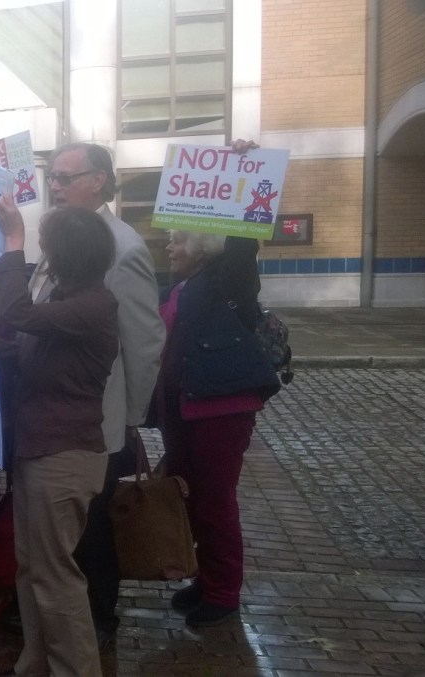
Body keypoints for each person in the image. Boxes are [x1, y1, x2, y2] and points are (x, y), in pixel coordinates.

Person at [0, 200, 120, 677]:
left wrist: (12, 242)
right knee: (32, 567)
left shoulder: (94, 305)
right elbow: (29, 348)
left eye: (45, 248)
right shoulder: (68, 301)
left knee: (55, 577)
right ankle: (36, 664)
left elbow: (18, 312)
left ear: (66, 256)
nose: (41, 256)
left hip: (62, 456)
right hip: (40, 449)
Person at [44, 143, 164, 649]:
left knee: (93, 526)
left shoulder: (124, 247)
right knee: (66, 526)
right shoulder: (59, 234)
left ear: (98, 180)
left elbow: (143, 341)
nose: (54, 186)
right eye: (52, 177)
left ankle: (98, 618)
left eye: (64, 177)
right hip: (56, 411)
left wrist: (130, 419)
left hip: (99, 416)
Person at [158, 230, 280, 628]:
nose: (169, 247)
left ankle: (223, 593)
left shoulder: (228, 279)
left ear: (202, 247)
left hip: (219, 409)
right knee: (192, 498)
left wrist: (238, 219)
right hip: (184, 406)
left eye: (178, 240)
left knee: (215, 502)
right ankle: (206, 579)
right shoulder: (179, 286)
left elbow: (243, 252)